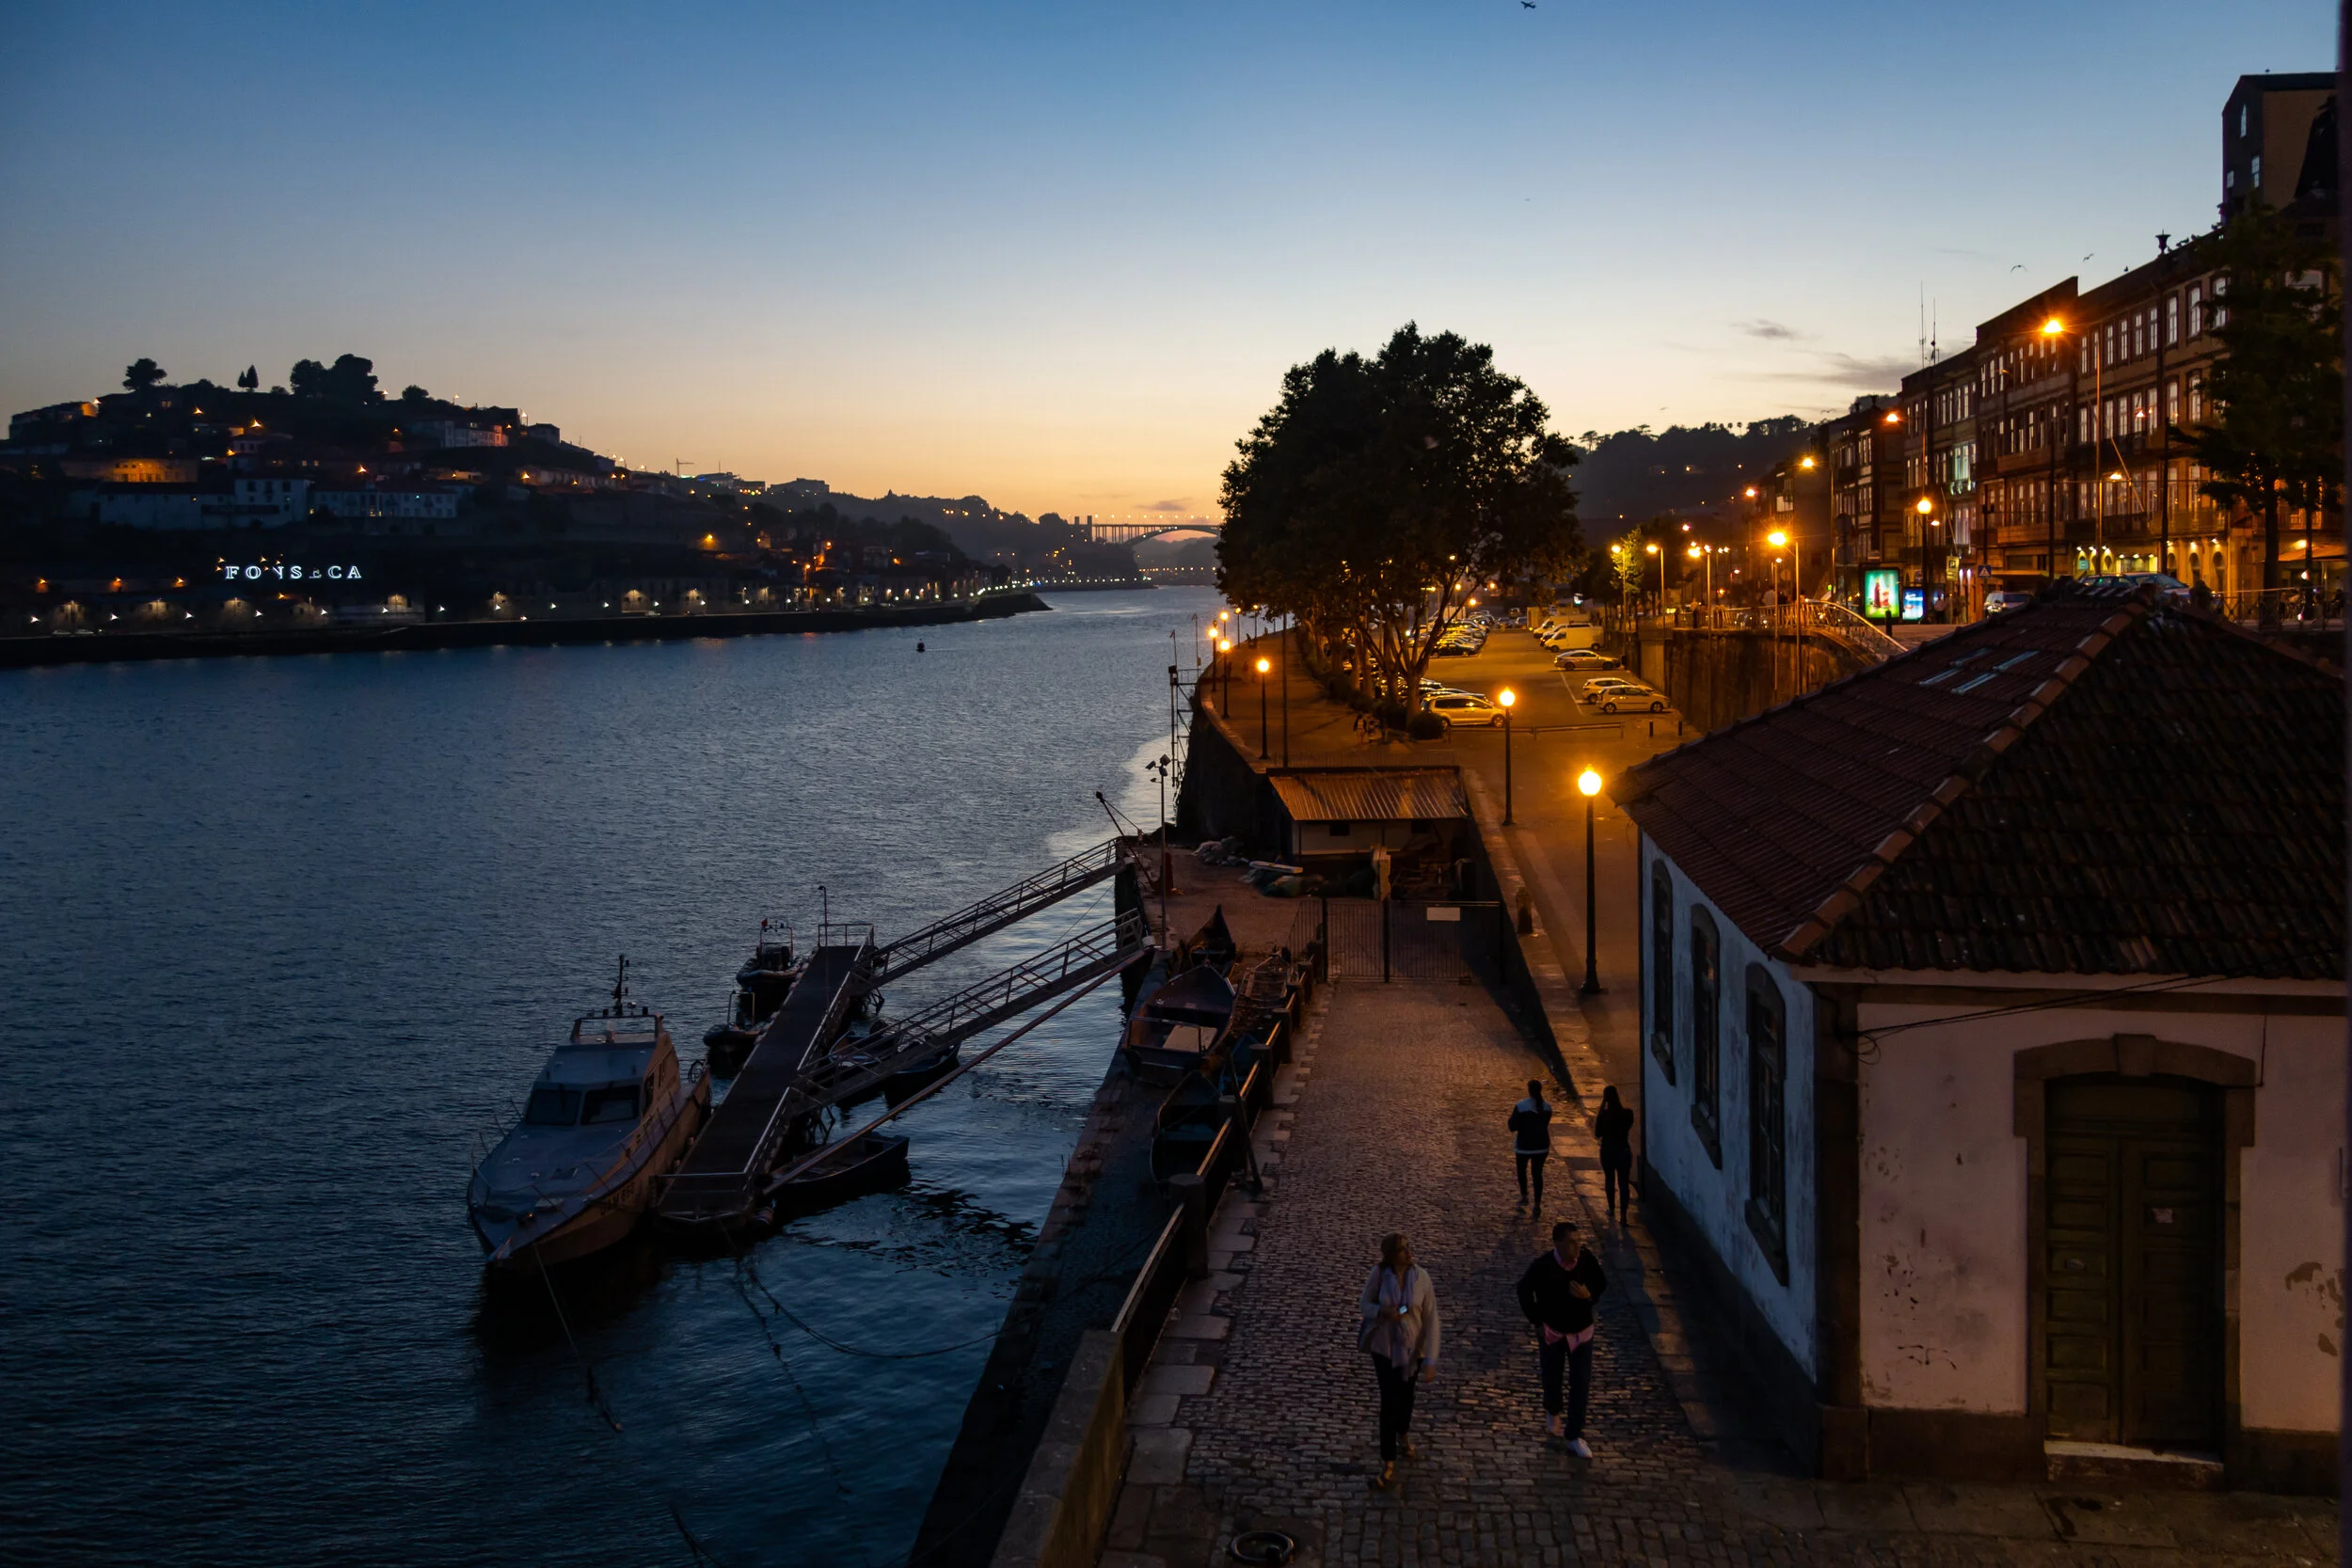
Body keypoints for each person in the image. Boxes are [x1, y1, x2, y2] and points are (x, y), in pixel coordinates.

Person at [1516, 1218, 1609, 1457]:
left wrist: (1589, 1295)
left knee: (1581, 1382)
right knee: (1552, 1377)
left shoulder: (1586, 1261)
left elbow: (1601, 1283)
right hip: (1553, 1333)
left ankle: (1574, 1435)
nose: (1576, 1247)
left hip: (1581, 1333)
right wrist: (1537, 1322)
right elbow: (1524, 1290)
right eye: (1571, 1243)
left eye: (1578, 1242)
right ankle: (1553, 1409)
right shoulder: (1543, 1266)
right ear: (1557, 1243)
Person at [1358, 1231, 1439, 1490]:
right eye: (1403, 1249)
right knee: (1389, 1403)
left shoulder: (1422, 1279)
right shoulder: (1379, 1275)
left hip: (1412, 1351)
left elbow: (1431, 1319)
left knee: (1406, 1399)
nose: (1408, 1252)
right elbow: (1364, 1303)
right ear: (1392, 1255)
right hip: (1384, 1349)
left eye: (1408, 1248)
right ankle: (1388, 1461)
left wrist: (1431, 1359)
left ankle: (1403, 1433)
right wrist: (1380, 1310)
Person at [1508, 1079, 1553, 1211]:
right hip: (1541, 1146)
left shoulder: (1521, 1106)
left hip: (1524, 1145)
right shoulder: (1547, 1107)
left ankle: (1524, 1196)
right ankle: (1537, 1204)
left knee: (1522, 1170)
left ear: (1529, 1090)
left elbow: (1513, 1126)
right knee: (1537, 1174)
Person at [1594, 1085, 1634, 1225]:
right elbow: (1627, 1127)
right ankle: (1623, 1215)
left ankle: (1611, 1209)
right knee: (1624, 1184)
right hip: (1623, 1150)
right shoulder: (1628, 1114)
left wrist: (1601, 1108)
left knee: (1610, 1180)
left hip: (1608, 1151)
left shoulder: (1604, 1116)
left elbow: (1597, 1133)